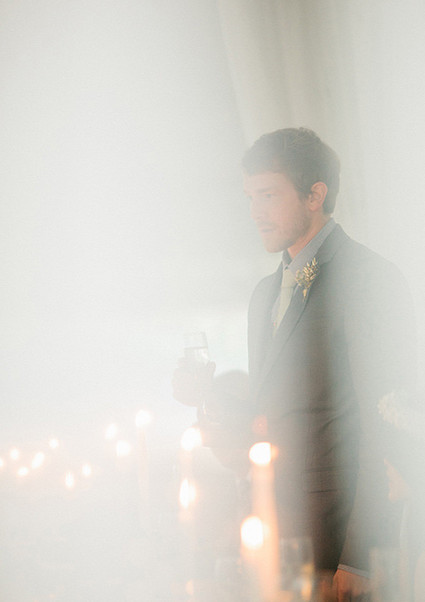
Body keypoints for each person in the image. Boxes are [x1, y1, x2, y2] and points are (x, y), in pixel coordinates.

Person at [173, 128, 416, 601]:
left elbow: (388, 424)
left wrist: (364, 555)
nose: (255, 211)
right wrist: (207, 398)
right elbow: (269, 419)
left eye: (268, 195)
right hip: (281, 540)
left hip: (341, 546)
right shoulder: (264, 294)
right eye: (250, 197)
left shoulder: (370, 279)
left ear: (314, 195)